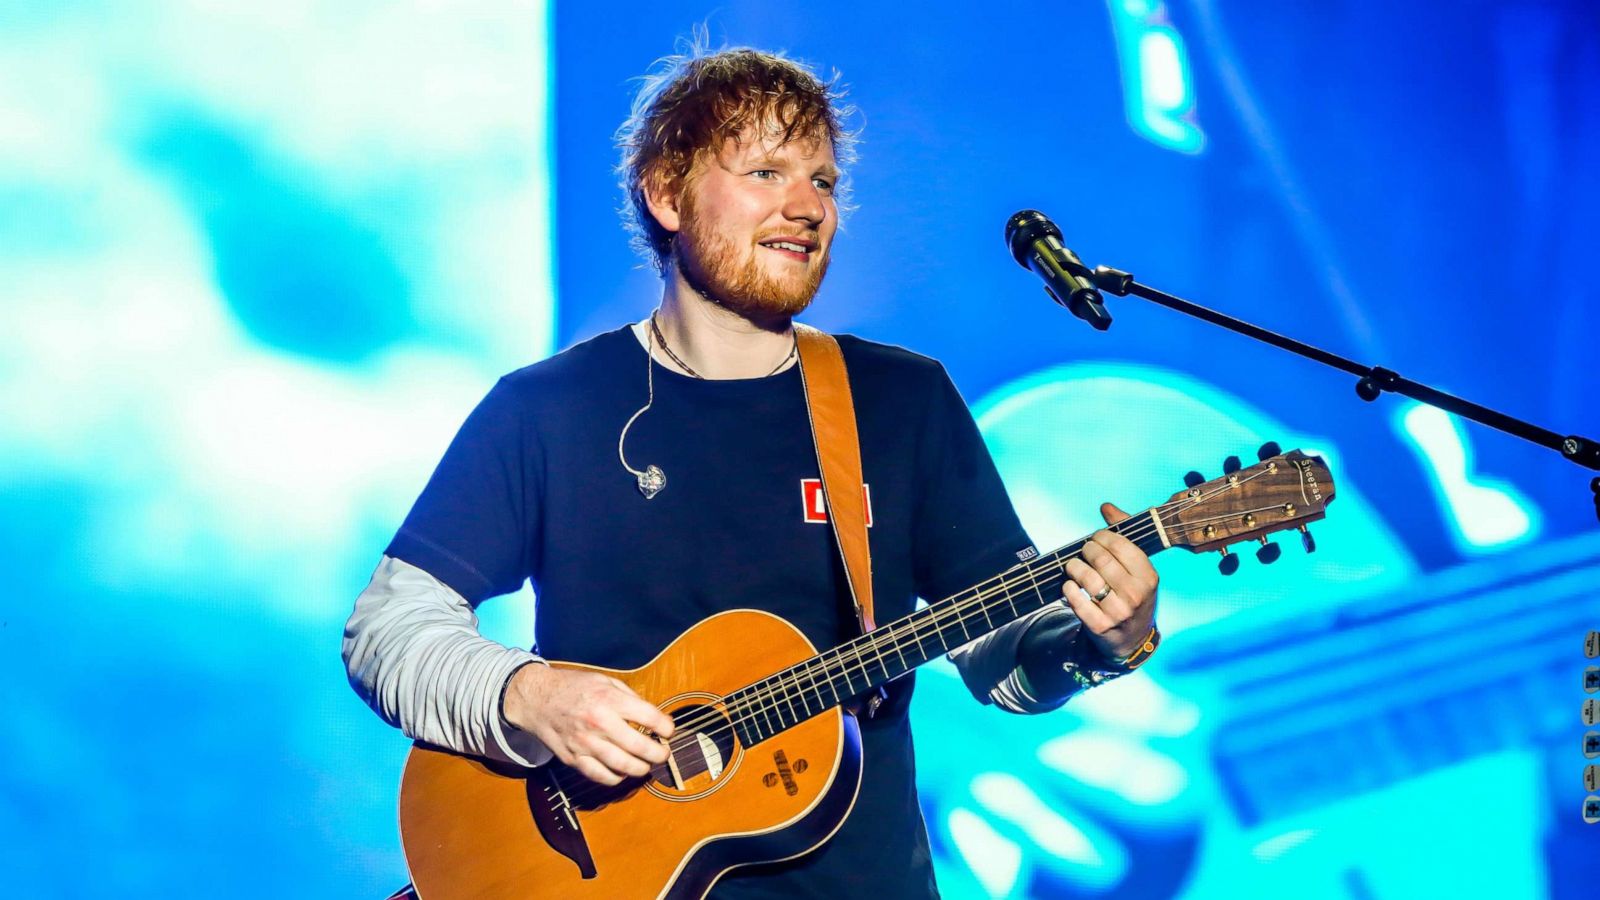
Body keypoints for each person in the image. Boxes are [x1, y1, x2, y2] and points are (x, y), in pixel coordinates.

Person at [343, 44, 1160, 899]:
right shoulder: (549, 408)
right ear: (667, 195)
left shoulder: (898, 399)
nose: (808, 208)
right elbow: (388, 629)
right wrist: (529, 694)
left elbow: (1004, 661)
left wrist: (1103, 641)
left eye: (825, 182)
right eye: (767, 172)